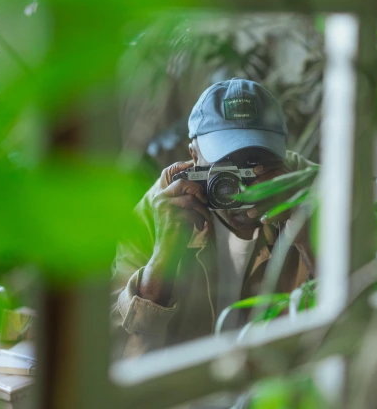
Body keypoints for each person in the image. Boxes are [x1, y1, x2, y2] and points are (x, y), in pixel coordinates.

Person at [113, 78, 314, 358]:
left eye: (260, 162)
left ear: (283, 152)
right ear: (194, 157)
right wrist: (162, 259)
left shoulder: (314, 189)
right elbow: (114, 338)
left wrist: (307, 237)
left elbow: (356, 308)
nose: (245, 185)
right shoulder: (161, 206)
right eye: (226, 166)